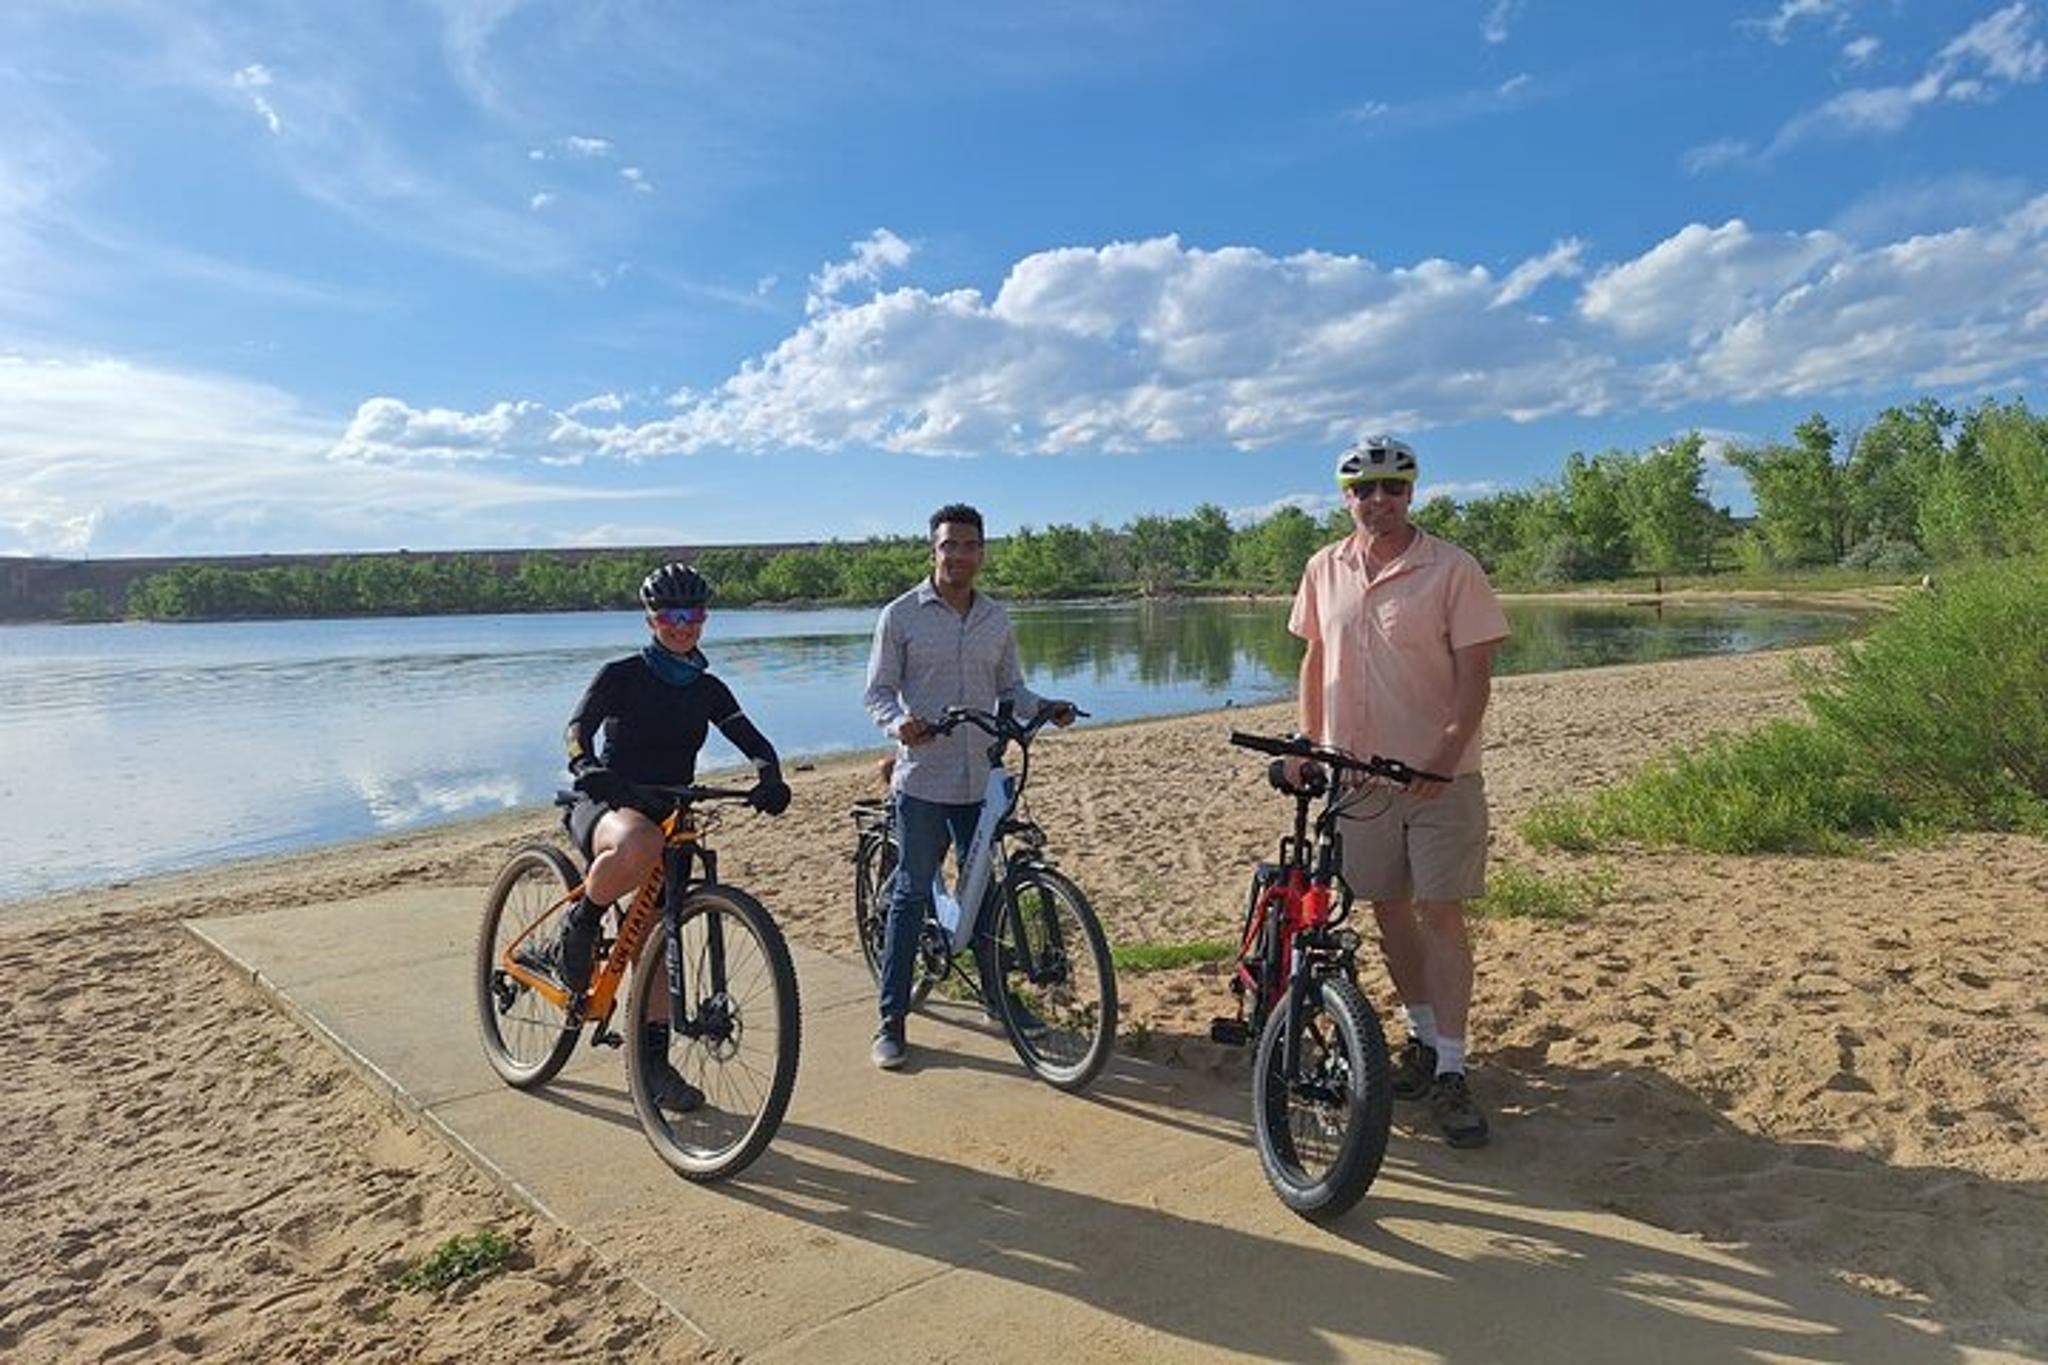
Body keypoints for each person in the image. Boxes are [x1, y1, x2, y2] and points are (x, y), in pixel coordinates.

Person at [1288, 436, 1510, 1148]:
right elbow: (1315, 658)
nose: (1377, 500)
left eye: (1392, 488)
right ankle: (1420, 1038)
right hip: (1358, 781)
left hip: (1440, 783)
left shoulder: (1452, 569)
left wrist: (1441, 758)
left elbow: (1475, 676)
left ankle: (1452, 1067)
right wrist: (1308, 745)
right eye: (1363, 490)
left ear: (1411, 493)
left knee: (1439, 912)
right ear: (1345, 498)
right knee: (1387, 910)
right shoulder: (1324, 567)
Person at [521, 561, 793, 1111]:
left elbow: (752, 740)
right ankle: (580, 923)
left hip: (669, 811)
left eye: (692, 615)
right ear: (651, 620)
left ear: (704, 618)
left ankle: (653, 1066)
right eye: (670, 616)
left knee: (658, 940)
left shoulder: (707, 687)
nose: (682, 626)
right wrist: (587, 766)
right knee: (639, 843)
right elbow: (576, 730)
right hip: (607, 802)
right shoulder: (620, 675)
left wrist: (770, 776)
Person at [862, 504, 1075, 1071]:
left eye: (969, 545)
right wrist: (898, 725)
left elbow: (1010, 690)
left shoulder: (995, 618)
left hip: (980, 776)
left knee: (984, 892)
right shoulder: (900, 616)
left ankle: (998, 1001)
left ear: (982, 551)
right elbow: (878, 692)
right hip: (924, 777)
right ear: (933, 551)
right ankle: (891, 1020)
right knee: (911, 893)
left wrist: (1046, 707)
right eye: (948, 545)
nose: (958, 555)